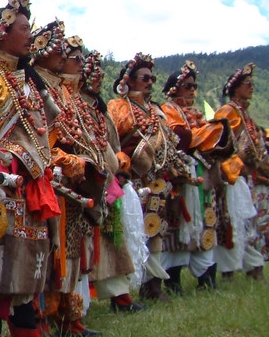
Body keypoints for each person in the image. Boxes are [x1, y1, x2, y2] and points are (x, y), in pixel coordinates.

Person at [0, 0, 62, 337]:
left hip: (30, 183)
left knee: (27, 262)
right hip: (1, 182)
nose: (31, 36)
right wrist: (10, 160)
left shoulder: (25, 80)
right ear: (2, 33)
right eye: (24, 28)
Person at [31, 24, 100, 337]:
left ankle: (69, 317)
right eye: (61, 51)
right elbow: (40, 140)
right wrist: (68, 161)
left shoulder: (61, 91)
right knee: (53, 256)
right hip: (52, 181)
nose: (67, 59)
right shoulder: (39, 86)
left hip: (74, 183)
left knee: (72, 252)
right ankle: (46, 319)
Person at [108, 53, 190, 304]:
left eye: (152, 78)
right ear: (129, 80)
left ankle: (153, 284)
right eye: (144, 77)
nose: (150, 82)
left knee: (156, 231)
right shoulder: (118, 107)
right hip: (133, 180)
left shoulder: (156, 111)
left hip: (157, 181)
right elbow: (112, 141)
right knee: (132, 231)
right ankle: (122, 292)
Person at [76, 52, 142, 311]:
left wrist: (121, 164)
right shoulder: (78, 104)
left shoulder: (98, 107)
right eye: (93, 72)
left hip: (108, 181)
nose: (99, 77)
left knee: (113, 240)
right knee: (96, 244)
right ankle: (84, 304)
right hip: (90, 182)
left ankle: (120, 296)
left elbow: (112, 144)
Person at [160, 62, 231, 291]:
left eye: (194, 85)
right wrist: (209, 133)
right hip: (181, 176)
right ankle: (173, 281)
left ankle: (207, 277)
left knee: (206, 221)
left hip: (204, 175)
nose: (192, 90)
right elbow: (179, 138)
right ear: (174, 89)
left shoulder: (197, 113)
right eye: (187, 85)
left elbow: (205, 140)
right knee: (178, 223)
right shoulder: (167, 109)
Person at [213, 64, 268, 280]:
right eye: (248, 84)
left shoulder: (244, 114)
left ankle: (254, 267)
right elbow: (219, 145)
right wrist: (236, 168)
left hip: (247, 179)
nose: (252, 87)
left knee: (248, 222)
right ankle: (229, 272)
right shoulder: (228, 112)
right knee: (232, 222)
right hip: (232, 178)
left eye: (253, 83)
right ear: (235, 88)